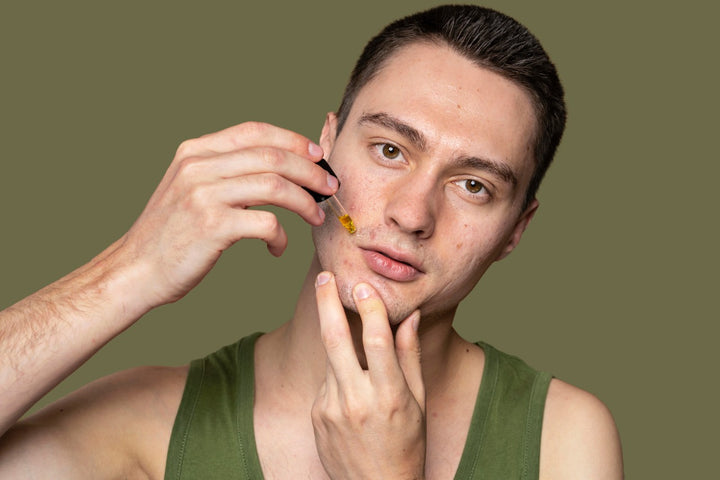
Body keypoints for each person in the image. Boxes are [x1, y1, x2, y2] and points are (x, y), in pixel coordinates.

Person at [0, 5, 623, 479]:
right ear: (324, 148)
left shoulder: (561, 439)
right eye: (388, 149)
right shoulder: (146, 423)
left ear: (516, 229)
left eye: (473, 185)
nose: (412, 213)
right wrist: (129, 270)